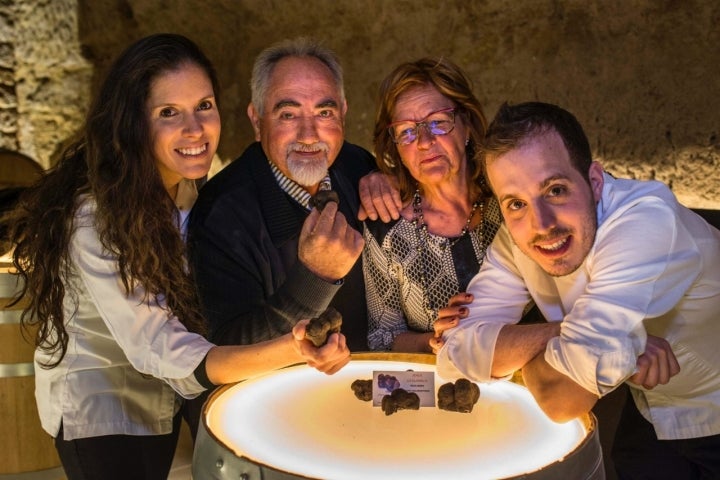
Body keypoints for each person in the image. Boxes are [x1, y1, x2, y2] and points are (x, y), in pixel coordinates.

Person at [5, 33, 349, 480]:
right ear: (134, 123)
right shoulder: (95, 218)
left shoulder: (191, 190)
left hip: (164, 399)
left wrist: (375, 181)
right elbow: (161, 349)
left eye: (203, 106)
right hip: (104, 409)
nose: (195, 129)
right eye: (169, 113)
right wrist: (291, 348)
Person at [435, 101, 720, 479]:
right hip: (653, 412)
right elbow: (454, 353)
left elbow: (560, 399)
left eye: (555, 190)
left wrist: (513, 350)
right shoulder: (513, 239)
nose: (541, 224)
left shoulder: (645, 220)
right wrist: (564, 336)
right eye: (516, 203)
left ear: (595, 182)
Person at [187, 37, 374, 352]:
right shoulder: (220, 213)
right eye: (288, 115)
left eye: (324, 113)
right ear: (257, 121)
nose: (308, 134)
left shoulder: (360, 168)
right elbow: (226, 348)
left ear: (343, 113)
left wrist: (387, 179)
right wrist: (316, 278)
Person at [362, 57, 502, 352]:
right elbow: (381, 337)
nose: (424, 142)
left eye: (438, 122)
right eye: (407, 131)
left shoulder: (510, 200)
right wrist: (434, 341)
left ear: (467, 126)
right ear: (396, 149)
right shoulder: (385, 227)